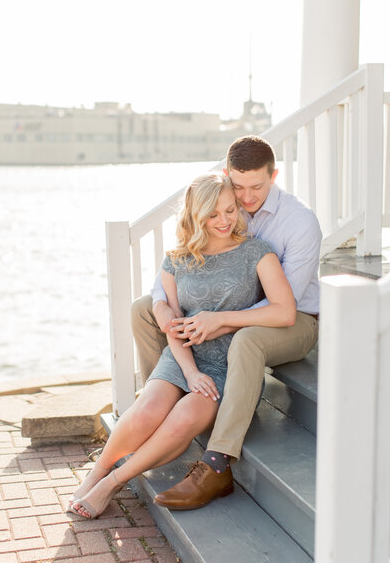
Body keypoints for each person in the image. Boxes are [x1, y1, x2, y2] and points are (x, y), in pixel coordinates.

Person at [68, 171, 295, 518]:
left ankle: (113, 483)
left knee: (182, 419)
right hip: (183, 358)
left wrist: (222, 322)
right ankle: (98, 471)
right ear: (195, 215)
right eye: (213, 213)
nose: (224, 220)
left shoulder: (257, 252)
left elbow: (284, 311)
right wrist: (189, 372)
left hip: (231, 363)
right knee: (147, 410)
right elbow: (172, 326)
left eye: (230, 210)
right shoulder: (176, 259)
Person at [132, 135, 321, 511]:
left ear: (274, 175)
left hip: (294, 321)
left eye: (257, 187)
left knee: (247, 338)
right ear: (225, 175)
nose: (247, 198)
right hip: (234, 311)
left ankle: (217, 463)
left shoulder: (300, 223)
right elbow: (181, 260)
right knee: (142, 309)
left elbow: (284, 304)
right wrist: (165, 308)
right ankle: (168, 400)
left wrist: (220, 321)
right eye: (239, 187)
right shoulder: (223, 201)